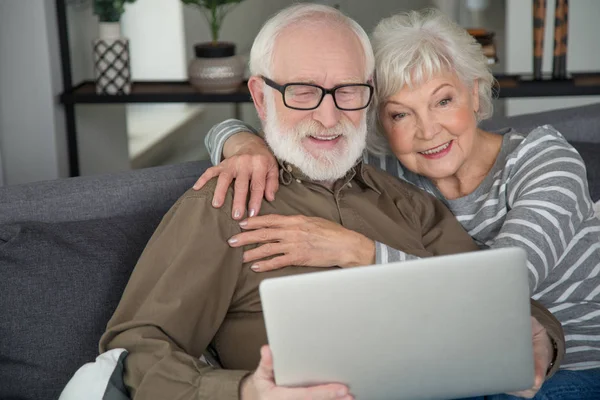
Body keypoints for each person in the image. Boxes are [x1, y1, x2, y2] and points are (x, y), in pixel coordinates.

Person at [194, 7, 600, 400]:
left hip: (576, 365)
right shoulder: (389, 172)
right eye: (400, 115)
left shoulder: (545, 158)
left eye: (444, 101)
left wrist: (354, 250)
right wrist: (243, 143)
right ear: (379, 125)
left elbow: (500, 294)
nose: (427, 130)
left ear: (475, 94)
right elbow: (282, 130)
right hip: (461, 362)